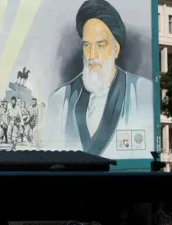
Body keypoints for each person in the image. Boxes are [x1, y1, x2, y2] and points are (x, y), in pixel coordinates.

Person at [43, 0, 154, 157]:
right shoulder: (60, 100)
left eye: (100, 45)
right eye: (87, 45)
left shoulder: (142, 92)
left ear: (116, 49)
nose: (92, 55)